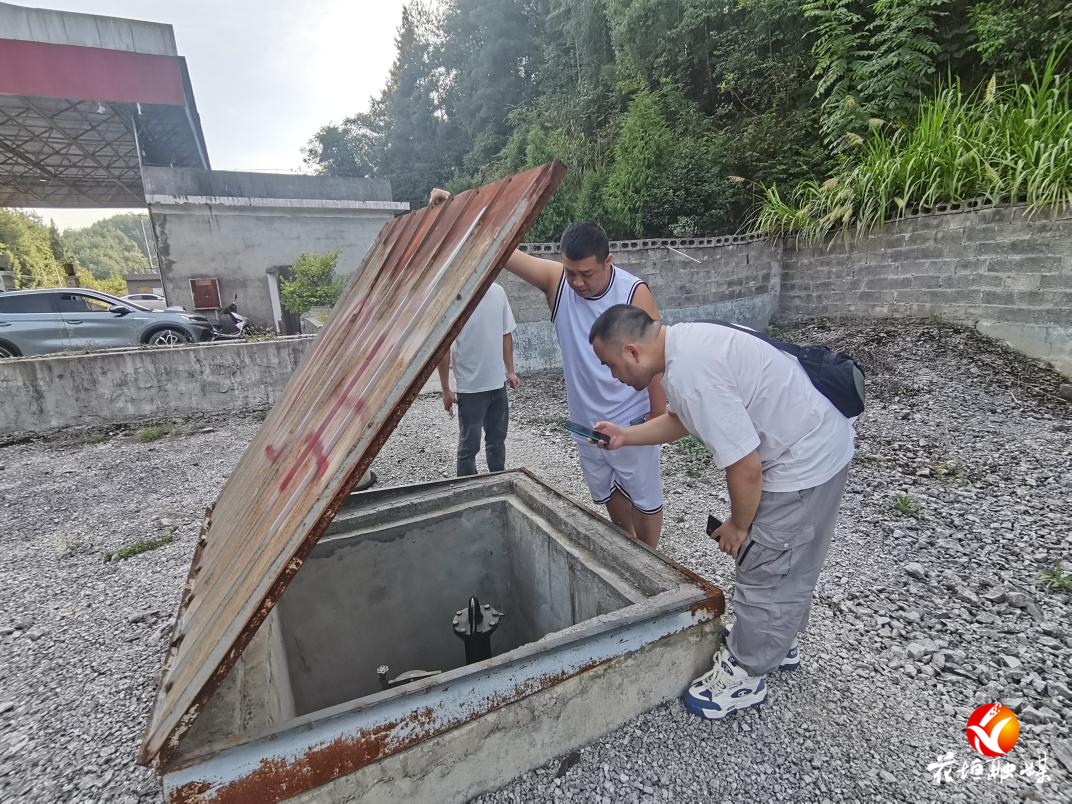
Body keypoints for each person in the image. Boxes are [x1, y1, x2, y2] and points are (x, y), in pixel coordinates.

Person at [588, 304, 855, 720]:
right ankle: (775, 641)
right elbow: (682, 421)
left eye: (611, 364)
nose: (613, 375)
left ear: (633, 352)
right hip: (817, 442)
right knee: (793, 560)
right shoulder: (685, 344)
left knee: (766, 565)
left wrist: (739, 526)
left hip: (802, 462)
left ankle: (747, 673)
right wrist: (625, 436)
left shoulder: (691, 374)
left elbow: (745, 467)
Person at [429, 187, 666, 547]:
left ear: (609, 262)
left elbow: (657, 361)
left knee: (645, 496)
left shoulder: (634, 293)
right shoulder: (558, 283)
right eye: (571, 272)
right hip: (585, 421)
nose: (577, 282)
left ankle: (653, 556)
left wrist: (658, 414)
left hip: (630, 418)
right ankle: (628, 543)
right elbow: (503, 249)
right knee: (606, 489)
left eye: (586, 273)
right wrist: (458, 212)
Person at [437, 282, 520, 476]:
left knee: (497, 441)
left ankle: (498, 483)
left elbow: (505, 334)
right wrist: (446, 390)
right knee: (468, 448)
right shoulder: (454, 296)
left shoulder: (498, 291)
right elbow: (443, 348)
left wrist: (510, 371)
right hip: (470, 388)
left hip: (497, 385)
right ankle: (467, 491)